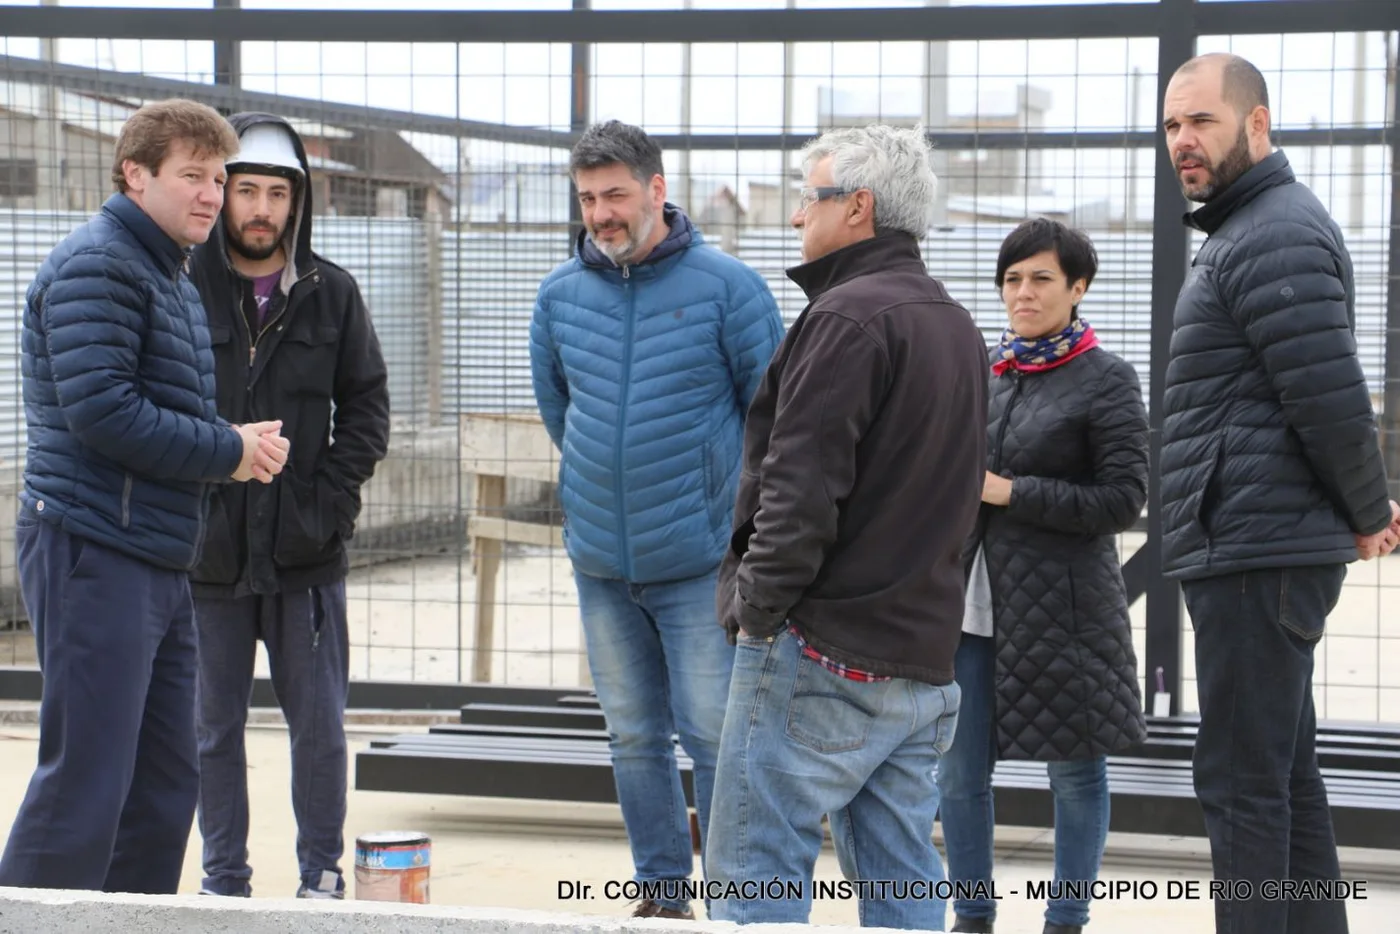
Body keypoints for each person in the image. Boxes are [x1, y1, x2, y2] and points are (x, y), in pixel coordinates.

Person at [0, 99, 290, 894]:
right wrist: (228, 450)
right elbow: (104, 414)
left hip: (155, 556)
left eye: (218, 177)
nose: (211, 194)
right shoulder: (99, 265)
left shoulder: (165, 272)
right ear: (135, 173)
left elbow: (149, 406)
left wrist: (231, 439)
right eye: (192, 175)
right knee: (87, 782)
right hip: (95, 548)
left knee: (164, 784)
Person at [704, 124, 987, 929]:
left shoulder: (844, 319)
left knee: (754, 880)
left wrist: (756, 613)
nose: (797, 216)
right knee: (903, 886)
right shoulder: (955, 325)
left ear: (857, 206)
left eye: (809, 196)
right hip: (923, 659)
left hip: (820, 650)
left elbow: (798, 494)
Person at [1160, 52, 1399, 934]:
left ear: (1257, 124)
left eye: (1203, 122)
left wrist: (1370, 512)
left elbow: (1330, 394)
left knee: (1240, 788)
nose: (1184, 141)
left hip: (1259, 552)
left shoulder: (1273, 230)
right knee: (1284, 782)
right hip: (1257, 546)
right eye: (1173, 126)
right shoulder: (1249, 229)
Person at [529, 119, 784, 920]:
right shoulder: (559, 297)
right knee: (633, 738)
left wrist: (733, 528)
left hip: (701, 564)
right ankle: (662, 894)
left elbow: (770, 420)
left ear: (657, 191)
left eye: (615, 195)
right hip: (602, 564)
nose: (601, 213)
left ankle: (735, 899)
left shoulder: (728, 288)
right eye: (587, 198)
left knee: (713, 737)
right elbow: (559, 411)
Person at [187, 113, 390, 900]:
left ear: (296, 202)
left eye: (277, 192)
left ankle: (321, 874)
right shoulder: (182, 286)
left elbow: (367, 408)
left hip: (307, 554)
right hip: (209, 551)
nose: (261, 208)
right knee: (211, 728)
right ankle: (223, 879)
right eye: (247, 191)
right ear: (224, 195)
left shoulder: (330, 293)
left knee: (317, 726)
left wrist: (328, 504)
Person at [936, 218, 1149, 934]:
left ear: (1078, 287)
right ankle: (972, 915)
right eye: (1011, 279)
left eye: (1040, 278)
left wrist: (1013, 491)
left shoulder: (1107, 379)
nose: (1022, 293)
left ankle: (1067, 919)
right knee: (959, 774)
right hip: (968, 608)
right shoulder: (986, 370)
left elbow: (1124, 499)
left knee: (1075, 774)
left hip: (1067, 609)